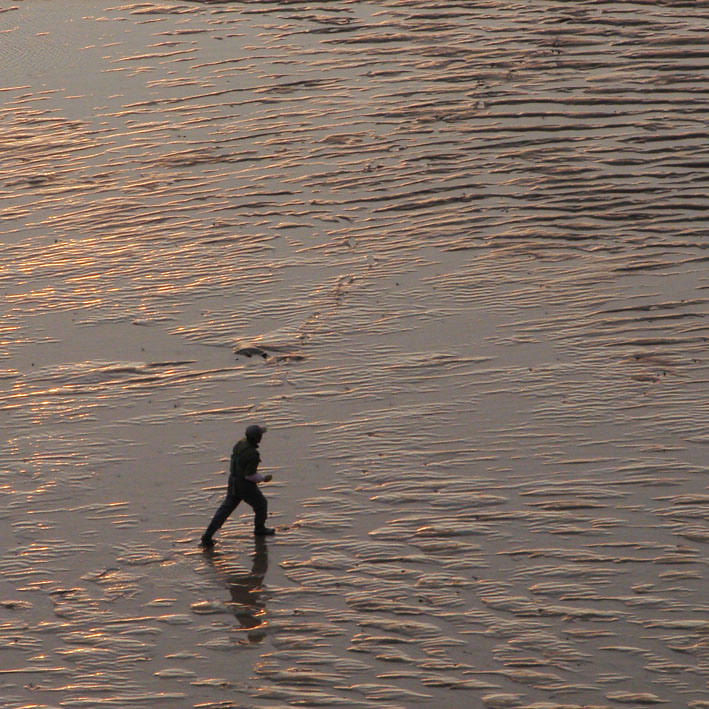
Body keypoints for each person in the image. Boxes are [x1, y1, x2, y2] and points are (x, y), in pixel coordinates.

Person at [201, 424, 274, 546]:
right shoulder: (253, 454)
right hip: (244, 485)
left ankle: (207, 536)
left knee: (225, 509)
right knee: (261, 504)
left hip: (233, 480)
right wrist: (263, 478)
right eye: (260, 435)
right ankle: (259, 529)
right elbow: (249, 475)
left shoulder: (240, 444)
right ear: (257, 438)